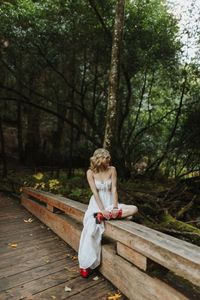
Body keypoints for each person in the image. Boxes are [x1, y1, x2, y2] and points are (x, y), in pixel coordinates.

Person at [78, 148, 138, 278]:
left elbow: (114, 189)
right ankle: (85, 264)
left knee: (134, 209)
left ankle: (109, 216)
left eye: (109, 157)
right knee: (91, 228)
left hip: (111, 203)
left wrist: (115, 208)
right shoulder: (90, 172)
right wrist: (102, 210)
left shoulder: (112, 170)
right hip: (97, 204)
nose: (109, 160)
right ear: (99, 159)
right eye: (106, 158)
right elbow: (95, 192)